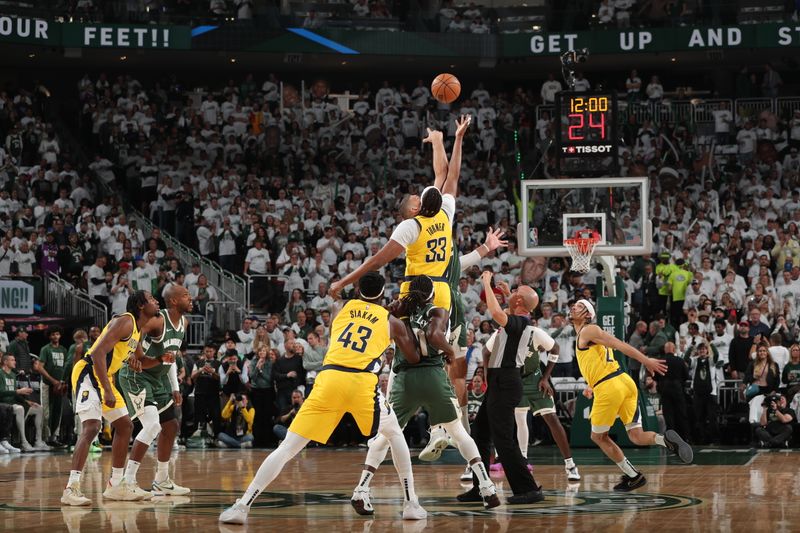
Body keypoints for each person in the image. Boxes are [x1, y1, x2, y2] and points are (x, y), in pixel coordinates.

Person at [220, 272, 427, 524]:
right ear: (383, 294)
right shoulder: (391, 321)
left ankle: (242, 507)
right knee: (394, 434)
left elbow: (357, 311)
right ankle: (410, 503)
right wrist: (404, 320)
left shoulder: (340, 309)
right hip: (361, 382)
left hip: (328, 379)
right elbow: (414, 356)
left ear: (359, 290)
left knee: (287, 448)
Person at [351, 275, 499, 514]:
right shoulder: (437, 311)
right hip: (432, 374)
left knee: (384, 437)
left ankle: (361, 489)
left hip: (405, 379)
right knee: (459, 432)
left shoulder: (397, 309)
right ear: (431, 294)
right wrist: (451, 351)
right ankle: (487, 486)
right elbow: (433, 335)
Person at [330, 119, 472, 327]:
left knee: (407, 349)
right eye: (415, 196)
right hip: (441, 291)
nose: (417, 194)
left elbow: (376, 262)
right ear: (414, 209)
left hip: (414, 292)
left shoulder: (412, 226)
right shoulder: (444, 214)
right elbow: (449, 175)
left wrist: (342, 282)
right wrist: (453, 139)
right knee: (435, 351)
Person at [569, 299, 693, 492]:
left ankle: (634, 476)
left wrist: (646, 360)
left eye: (578, 306)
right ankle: (665, 441)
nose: (572, 307)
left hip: (610, 386)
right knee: (636, 435)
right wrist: (591, 385)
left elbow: (618, 344)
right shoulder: (586, 336)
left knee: (598, 437)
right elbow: (600, 363)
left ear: (587, 314)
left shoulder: (588, 330)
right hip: (623, 382)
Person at [62, 290, 160, 506]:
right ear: (141, 305)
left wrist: (162, 359)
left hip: (105, 376)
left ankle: (116, 485)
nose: (157, 301)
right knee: (92, 427)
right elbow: (97, 353)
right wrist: (106, 389)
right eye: (152, 299)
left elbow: (141, 361)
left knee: (125, 427)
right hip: (89, 372)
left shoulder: (138, 331)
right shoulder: (125, 321)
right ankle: (71, 488)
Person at [464, 271, 544, 504]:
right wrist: (510, 295)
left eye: (516, 292)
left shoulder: (521, 322)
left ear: (519, 303)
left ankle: (528, 489)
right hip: (501, 381)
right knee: (479, 434)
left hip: (507, 381)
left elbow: (497, 313)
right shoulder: (519, 319)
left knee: (504, 440)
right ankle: (481, 487)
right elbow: (509, 311)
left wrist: (485, 284)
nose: (512, 291)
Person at [117, 284, 193, 497]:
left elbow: (171, 355)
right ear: (174, 301)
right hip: (137, 376)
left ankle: (162, 480)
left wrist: (175, 386)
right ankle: (127, 481)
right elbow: (135, 332)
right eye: (186, 295)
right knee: (152, 426)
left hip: (158, 379)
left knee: (170, 426)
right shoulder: (159, 320)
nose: (191, 298)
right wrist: (132, 353)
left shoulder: (183, 323)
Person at [511, 319, 581, 482]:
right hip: (516, 382)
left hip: (536, 380)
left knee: (552, 419)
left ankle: (570, 464)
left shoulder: (535, 333)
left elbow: (555, 348)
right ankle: (523, 460)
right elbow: (488, 354)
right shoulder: (505, 334)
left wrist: (545, 378)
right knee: (520, 420)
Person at [0, 354, 45, 451]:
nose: (15, 362)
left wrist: (26, 401)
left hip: (14, 402)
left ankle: (38, 441)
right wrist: (18, 391)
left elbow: (15, 394)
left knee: (39, 409)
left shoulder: (12, 375)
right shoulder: (0, 374)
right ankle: (24, 442)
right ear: (5, 362)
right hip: (4, 403)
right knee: (20, 409)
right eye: (12, 360)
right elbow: (1, 393)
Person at [36, 326, 69, 447]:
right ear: (49, 336)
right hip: (47, 384)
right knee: (46, 412)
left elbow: (66, 367)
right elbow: (39, 367)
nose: (55, 336)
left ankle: (54, 437)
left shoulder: (63, 350)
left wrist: (62, 382)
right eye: (53, 334)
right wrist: (53, 380)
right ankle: (44, 439)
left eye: (57, 334)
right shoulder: (46, 349)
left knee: (58, 411)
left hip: (59, 385)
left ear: (60, 335)